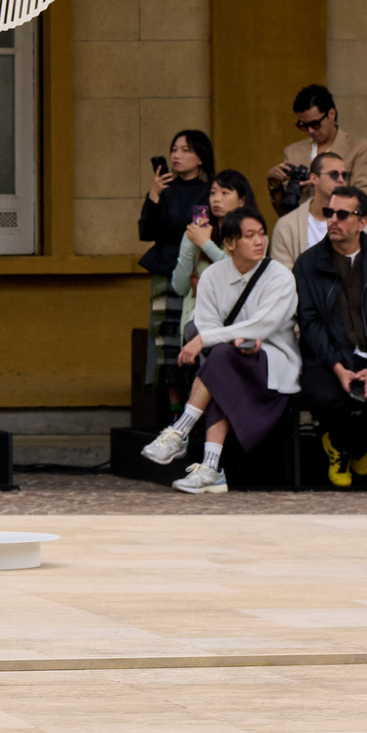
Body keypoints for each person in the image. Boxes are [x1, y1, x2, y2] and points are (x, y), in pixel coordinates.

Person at [139, 209, 300, 495]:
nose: (259, 241)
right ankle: (211, 467)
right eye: (249, 236)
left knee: (220, 360)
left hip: (274, 362)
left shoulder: (280, 276)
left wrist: (212, 339)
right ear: (229, 243)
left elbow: (264, 324)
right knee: (223, 362)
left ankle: (181, 431)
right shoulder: (213, 275)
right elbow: (206, 322)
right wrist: (229, 338)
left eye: (262, 234)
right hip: (229, 359)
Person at [293, 185, 367, 489]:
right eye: (328, 212)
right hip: (327, 357)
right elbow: (310, 322)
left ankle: (351, 446)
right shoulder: (307, 264)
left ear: (362, 222)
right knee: (325, 399)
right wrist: (337, 366)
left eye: (342, 214)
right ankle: (341, 449)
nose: (333, 219)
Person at [139, 129, 216, 387]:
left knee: (195, 331)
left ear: (201, 158)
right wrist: (154, 195)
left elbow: (204, 231)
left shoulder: (210, 191)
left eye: (185, 150)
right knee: (166, 338)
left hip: (198, 271)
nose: (177, 155)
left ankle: (196, 401)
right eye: (174, 150)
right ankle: (172, 410)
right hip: (165, 268)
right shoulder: (164, 190)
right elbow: (146, 231)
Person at [171, 170, 258, 335]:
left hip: (236, 324)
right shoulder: (196, 234)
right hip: (196, 325)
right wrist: (192, 243)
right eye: (213, 193)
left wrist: (206, 244)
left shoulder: (254, 235)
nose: (216, 199)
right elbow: (180, 287)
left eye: (225, 193)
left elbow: (240, 274)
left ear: (242, 201)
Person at [267, 83, 367, 211]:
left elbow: (364, 199)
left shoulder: (359, 148)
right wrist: (275, 185)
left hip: (342, 224)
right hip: (302, 227)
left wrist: (322, 184)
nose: (310, 131)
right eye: (303, 125)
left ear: (331, 114)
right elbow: (284, 212)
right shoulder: (293, 152)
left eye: (315, 124)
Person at [268, 153, 349, 273]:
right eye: (334, 174)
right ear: (314, 178)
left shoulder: (355, 220)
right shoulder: (286, 226)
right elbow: (281, 280)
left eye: (345, 175)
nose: (341, 180)